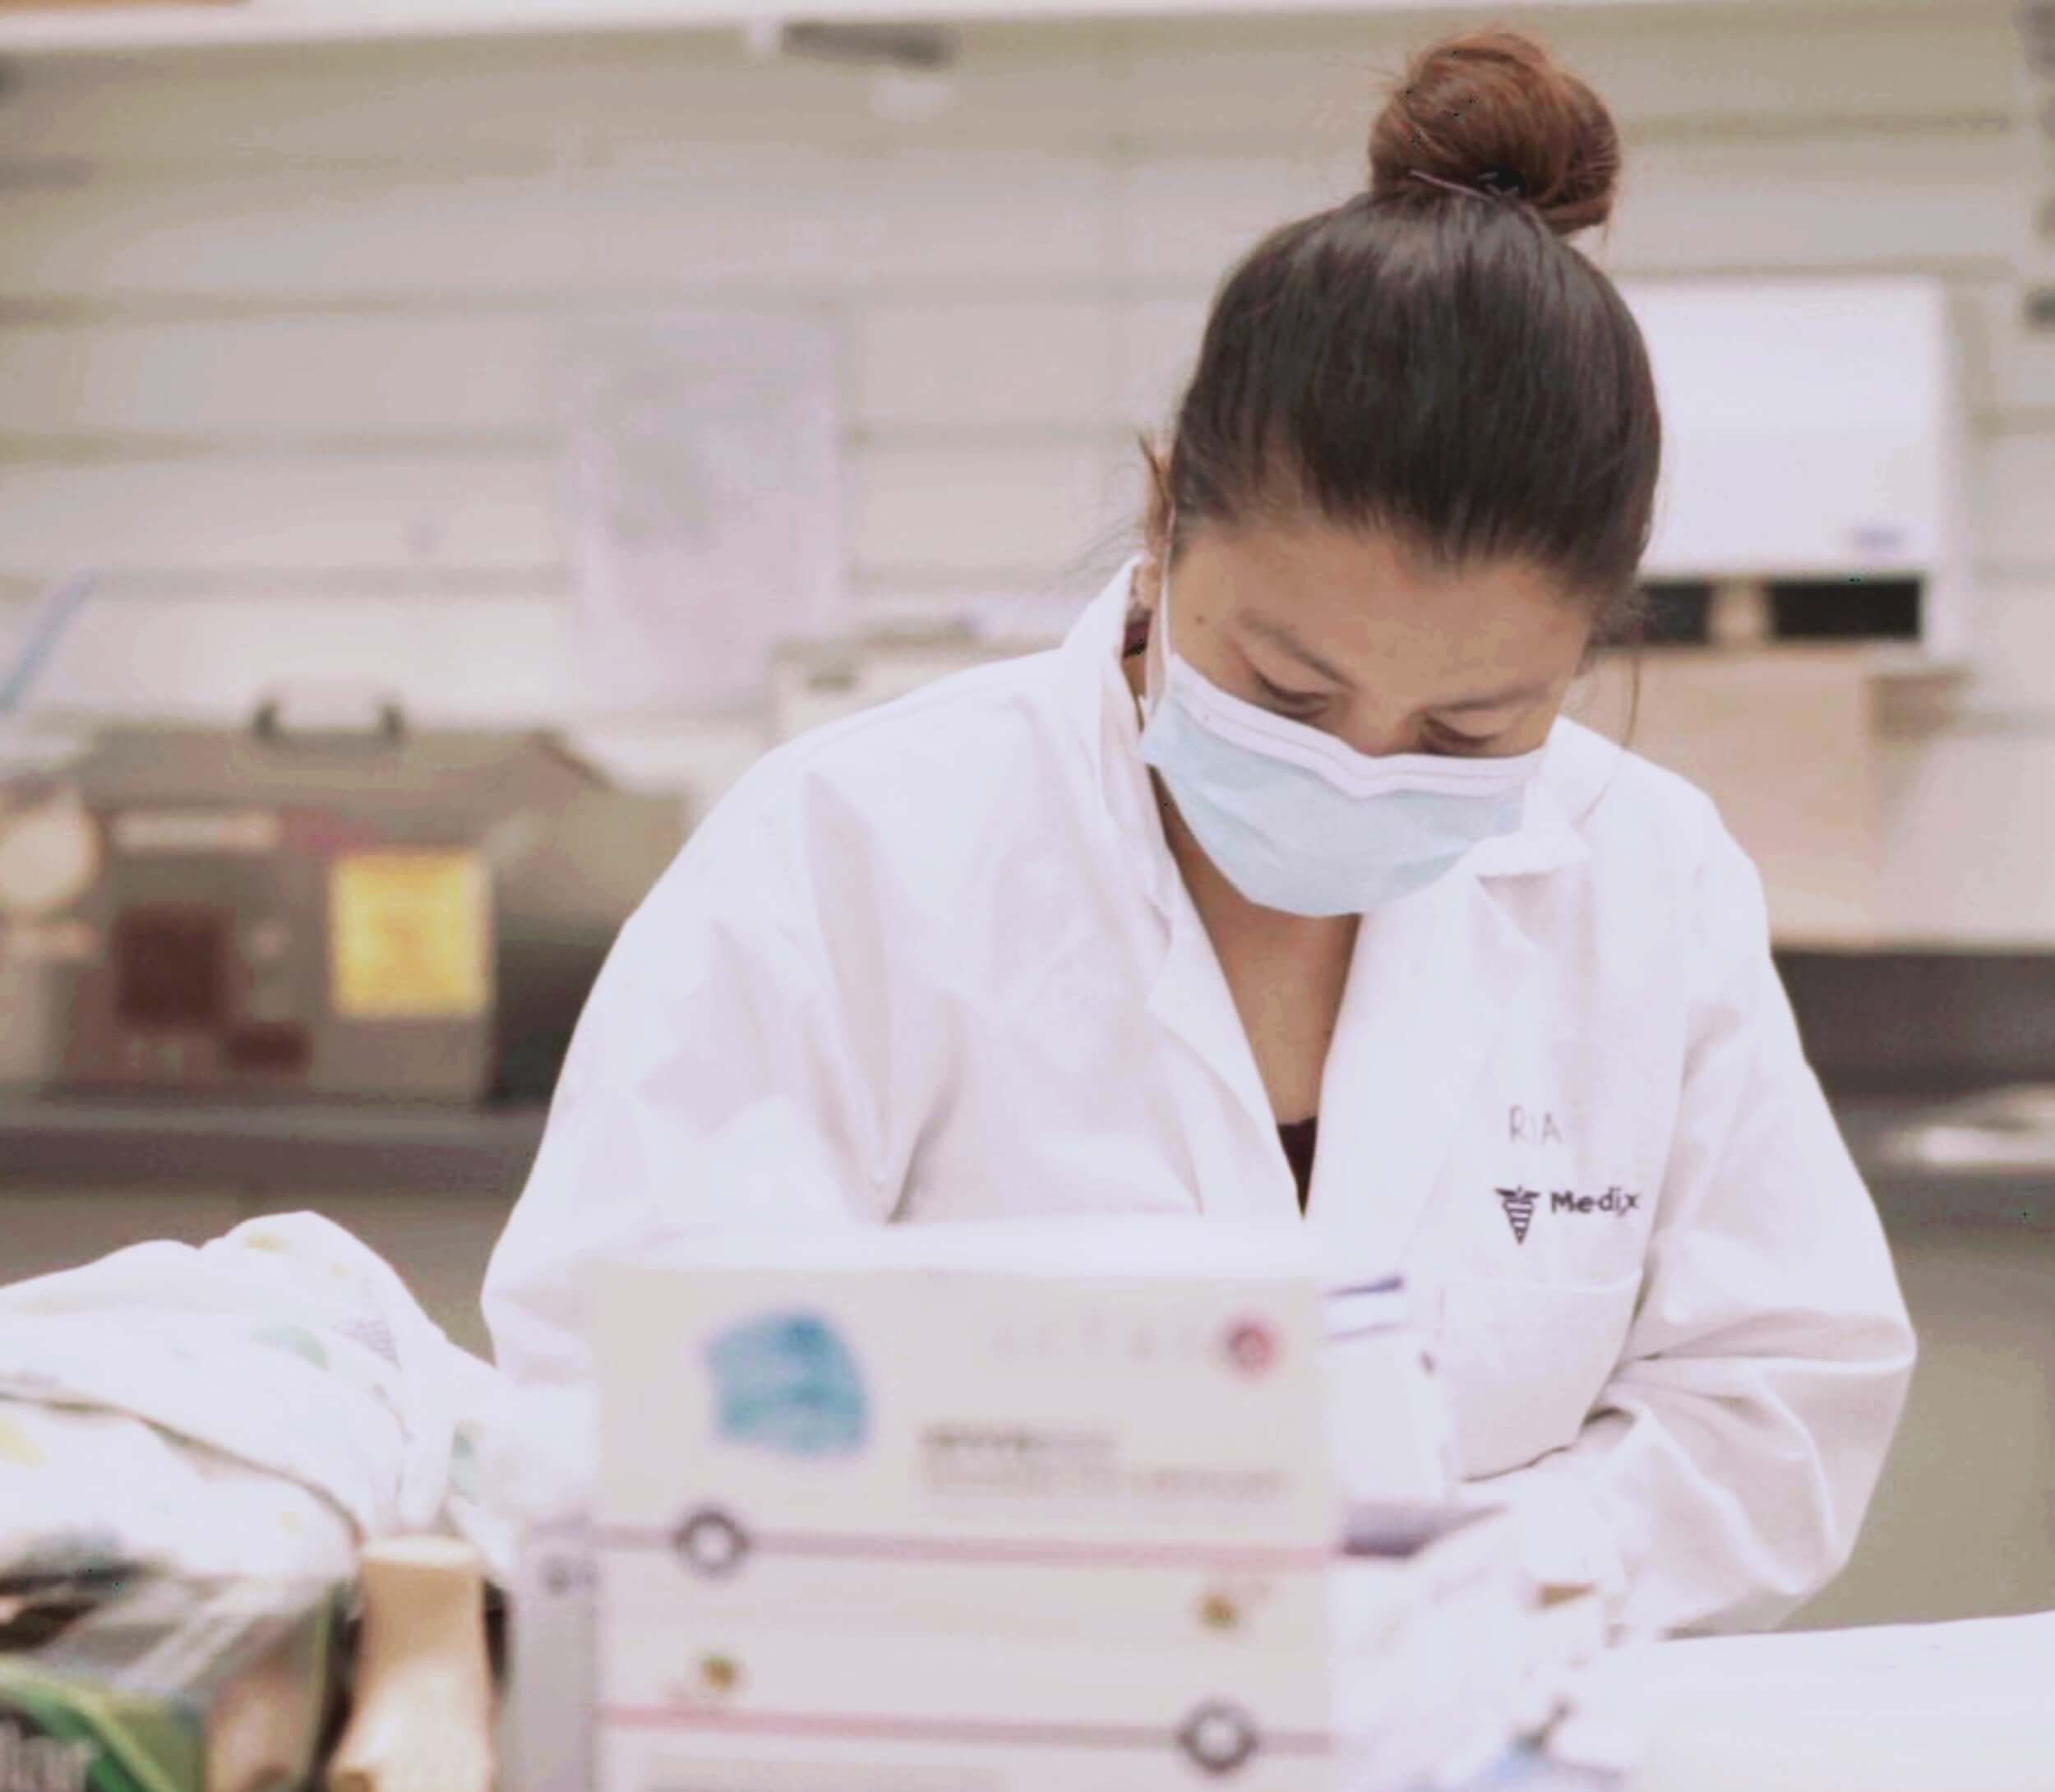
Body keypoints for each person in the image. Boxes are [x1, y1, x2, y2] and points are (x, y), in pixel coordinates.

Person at [484, 29, 1914, 1636]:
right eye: (1289, 692)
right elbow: (606, 1393)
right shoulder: (853, 853)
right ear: (1164, 518)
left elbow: (1775, 1400)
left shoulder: (1643, 875)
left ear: (1584, 652)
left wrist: (1478, 1576)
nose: (1364, 770)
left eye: (1466, 731)